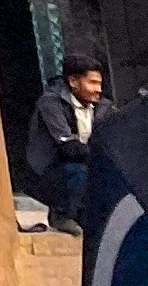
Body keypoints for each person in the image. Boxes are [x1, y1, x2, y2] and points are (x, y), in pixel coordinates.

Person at [26, 56, 108, 233]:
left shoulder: (103, 107)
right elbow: (68, 146)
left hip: (84, 165)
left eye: (100, 84)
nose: (98, 90)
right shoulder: (50, 103)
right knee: (79, 171)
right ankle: (61, 215)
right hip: (50, 171)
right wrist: (99, 155)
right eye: (92, 83)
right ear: (73, 81)